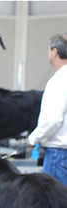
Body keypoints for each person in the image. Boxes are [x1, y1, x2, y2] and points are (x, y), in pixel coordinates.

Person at [27, 34, 67, 188]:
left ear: (55, 51)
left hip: (59, 155)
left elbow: (53, 120)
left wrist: (33, 139)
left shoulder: (58, 81)